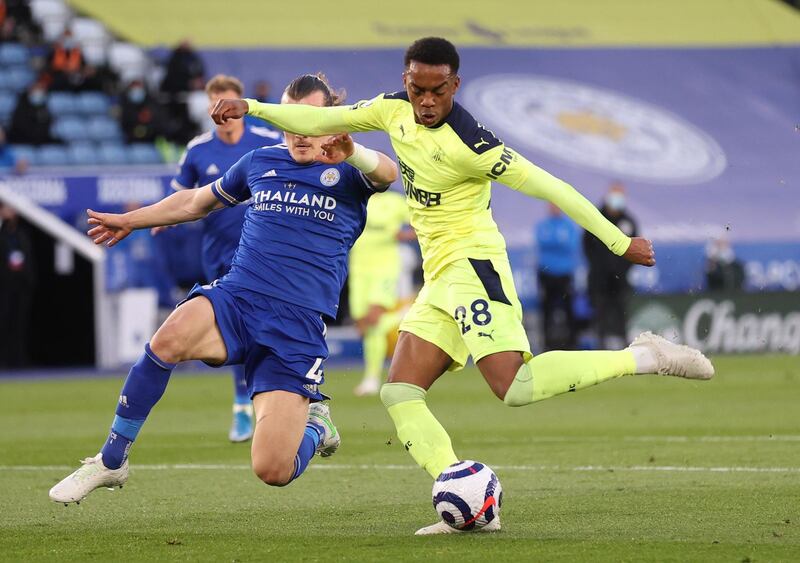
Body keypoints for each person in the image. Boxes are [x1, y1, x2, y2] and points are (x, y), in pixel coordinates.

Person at [211, 37, 714, 535]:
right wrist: (249, 108)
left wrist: (618, 241)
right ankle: (466, 503)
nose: (426, 101)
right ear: (406, 80)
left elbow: (553, 186)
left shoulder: (476, 146)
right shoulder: (391, 110)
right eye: (417, 89)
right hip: (439, 278)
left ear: (455, 84)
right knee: (400, 391)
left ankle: (646, 356)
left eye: (437, 91)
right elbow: (317, 121)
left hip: (473, 266)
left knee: (514, 387)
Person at [48, 73, 399, 504]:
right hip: (238, 297)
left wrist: (355, 151)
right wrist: (132, 219)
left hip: (296, 325)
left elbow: (388, 172)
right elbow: (195, 202)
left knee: (272, 469)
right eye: (291, 122)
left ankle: (317, 427)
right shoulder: (260, 161)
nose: (300, 133)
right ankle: (111, 460)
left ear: (333, 119)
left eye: (312, 121)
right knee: (167, 339)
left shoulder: (349, 170)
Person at [160, 74, 282, 442]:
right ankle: (243, 409)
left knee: (271, 328)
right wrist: (157, 219)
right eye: (216, 106)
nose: (223, 113)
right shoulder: (197, 150)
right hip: (220, 255)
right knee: (239, 332)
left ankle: (288, 402)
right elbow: (178, 196)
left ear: (240, 105)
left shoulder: (267, 143)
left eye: (228, 105)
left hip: (267, 252)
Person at [348, 189, 414, 396]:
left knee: (373, 319)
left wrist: (402, 235)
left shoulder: (395, 201)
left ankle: (371, 378)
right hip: (359, 269)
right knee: (363, 326)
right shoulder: (356, 197)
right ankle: (403, 314)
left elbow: (421, 222)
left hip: (384, 269)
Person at [583, 182, 638, 350]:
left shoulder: (628, 221)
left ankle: (625, 346)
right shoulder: (595, 218)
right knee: (600, 313)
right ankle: (600, 346)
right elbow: (587, 245)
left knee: (622, 312)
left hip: (621, 278)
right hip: (599, 278)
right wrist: (599, 266)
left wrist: (621, 269)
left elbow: (635, 247)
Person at [535, 203, 581, 351]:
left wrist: (554, 243)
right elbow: (542, 242)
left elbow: (571, 245)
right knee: (546, 310)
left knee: (569, 310)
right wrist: (559, 242)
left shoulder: (568, 225)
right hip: (546, 273)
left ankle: (572, 344)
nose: (554, 209)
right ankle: (547, 344)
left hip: (565, 273)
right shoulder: (543, 225)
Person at [0, 203, 35, 368]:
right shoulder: (2, 235)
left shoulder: (22, 235)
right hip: (4, 287)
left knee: (19, 324)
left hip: (20, 287)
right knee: (4, 323)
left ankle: (18, 360)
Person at [8, 80, 57, 146]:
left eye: (42, 89)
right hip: (22, 140)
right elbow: (19, 125)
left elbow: (48, 123)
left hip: (41, 140)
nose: (39, 92)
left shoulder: (43, 106)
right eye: (37, 89)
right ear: (30, 91)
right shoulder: (21, 106)